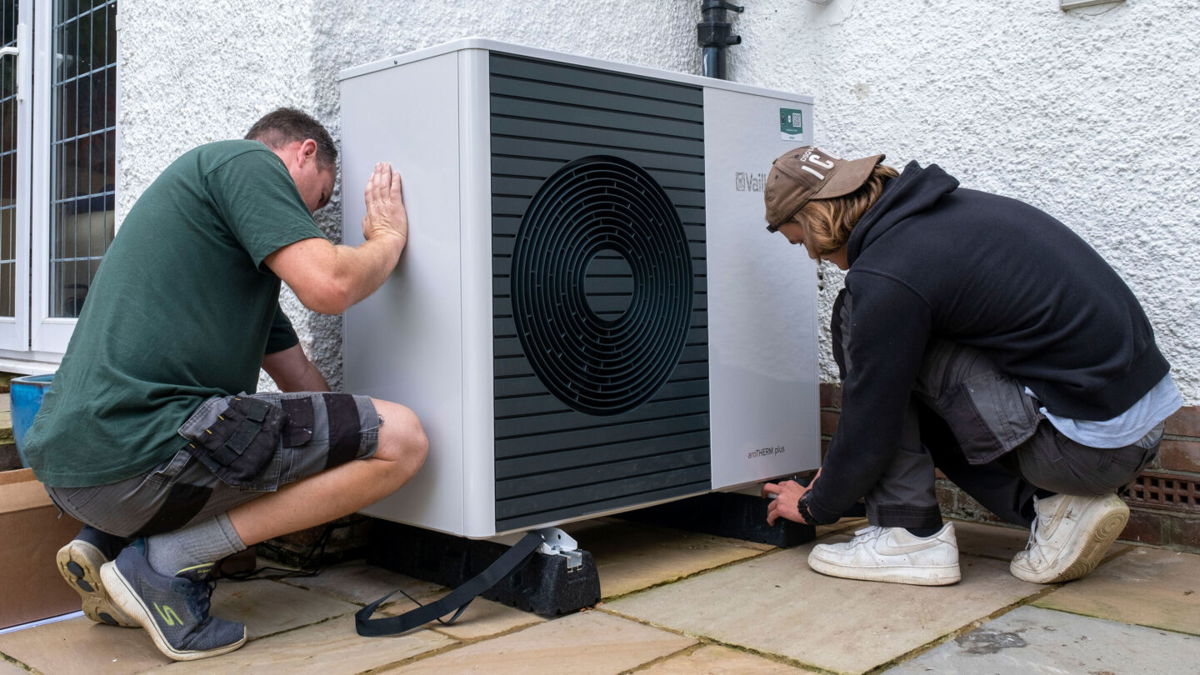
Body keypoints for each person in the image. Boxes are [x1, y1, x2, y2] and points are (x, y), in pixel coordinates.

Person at [23, 108, 428, 660]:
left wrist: (344, 448)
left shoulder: (234, 267)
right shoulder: (245, 161)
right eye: (323, 196)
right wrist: (386, 239)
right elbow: (330, 285)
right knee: (402, 439)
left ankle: (106, 543)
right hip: (135, 456)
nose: (315, 212)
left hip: (79, 466)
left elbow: (301, 382)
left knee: (312, 431)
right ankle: (163, 567)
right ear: (303, 152)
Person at [758, 146, 1180, 586]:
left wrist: (817, 505)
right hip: (1130, 432)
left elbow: (873, 411)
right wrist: (846, 471)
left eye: (801, 240)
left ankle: (908, 536)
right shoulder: (948, 216)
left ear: (816, 220)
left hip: (1084, 452)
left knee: (858, 321)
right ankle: (1054, 509)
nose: (814, 258)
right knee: (893, 353)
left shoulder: (889, 274)